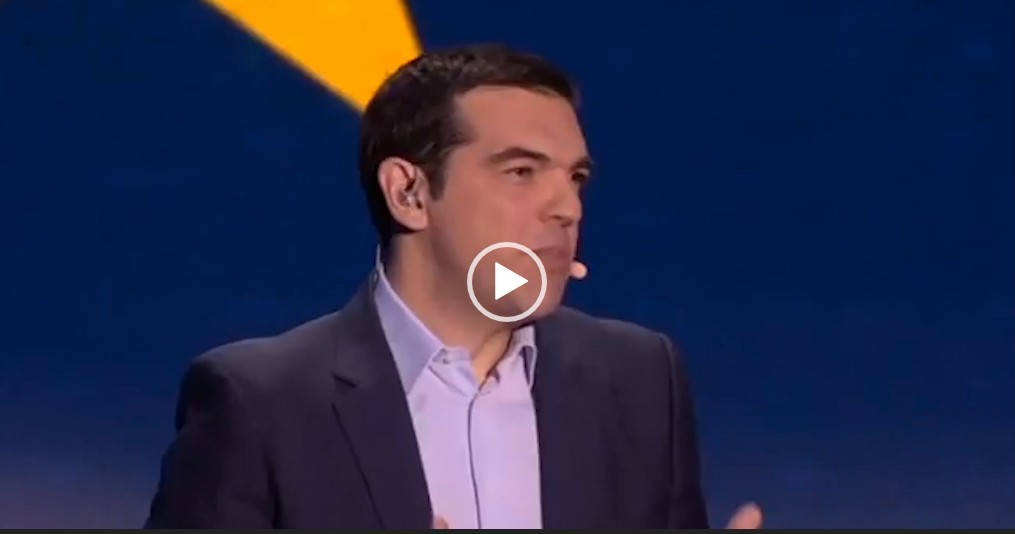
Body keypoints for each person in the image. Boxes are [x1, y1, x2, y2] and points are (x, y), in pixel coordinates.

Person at [144, 43, 762, 529]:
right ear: (409, 193)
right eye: (521, 171)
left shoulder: (641, 379)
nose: (568, 208)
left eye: (575, 177)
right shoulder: (262, 403)